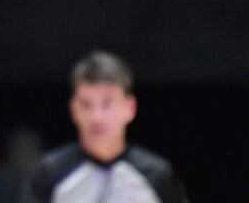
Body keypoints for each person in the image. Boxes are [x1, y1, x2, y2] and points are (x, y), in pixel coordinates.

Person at [26, 50, 186, 203]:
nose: (97, 117)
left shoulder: (157, 174)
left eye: (107, 104)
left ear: (130, 108)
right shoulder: (50, 173)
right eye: (86, 104)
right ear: (74, 109)